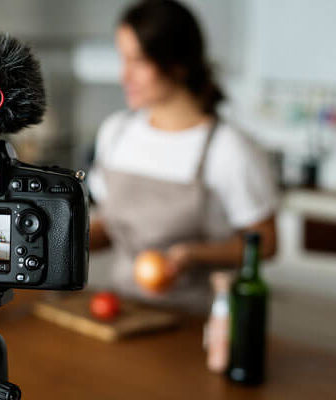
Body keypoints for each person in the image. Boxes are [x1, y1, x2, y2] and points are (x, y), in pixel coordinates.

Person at [89, 0, 278, 312]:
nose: (124, 75)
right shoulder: (116, 132)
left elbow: (266, 243)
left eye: (138, 61)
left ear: (176, 63)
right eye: (123, 59)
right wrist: (62, 242)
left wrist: (193, 254)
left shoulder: (229, 149)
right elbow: (109, 225)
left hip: (196, 320)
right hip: (122, 310)